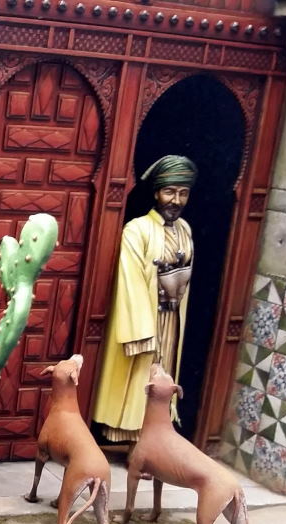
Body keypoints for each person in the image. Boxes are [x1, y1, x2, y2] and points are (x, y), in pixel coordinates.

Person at [93, 155, 196, 442]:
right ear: (156, 193)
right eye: (170, 192)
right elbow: (131, 281)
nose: (176, 200)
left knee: (164, 376)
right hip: (145, 320)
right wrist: (141, 331)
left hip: (171, 318)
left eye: (183, 193)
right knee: (139, 379)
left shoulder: (185, 230)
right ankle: (131, 439)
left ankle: (155, 436)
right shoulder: (137, 229)